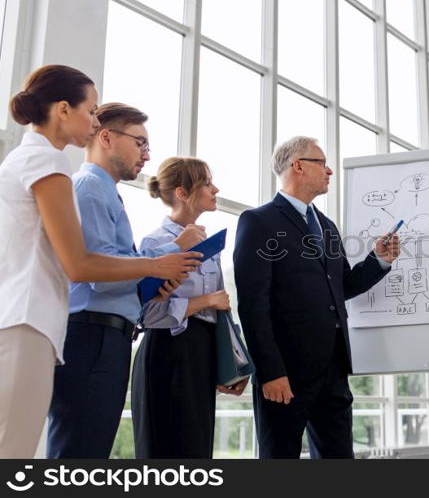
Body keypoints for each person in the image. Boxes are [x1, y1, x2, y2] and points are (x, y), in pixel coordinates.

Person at [0, 65, 199, 458]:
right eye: (90, 111)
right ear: (62, 109)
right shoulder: (50, 164)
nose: (93, 121)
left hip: (33, 322)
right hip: (31, 321)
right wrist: (155, 265)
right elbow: (80, 264)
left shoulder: (34, 161)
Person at [47, 103, 207, 459]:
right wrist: (160, 261)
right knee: (79, 452)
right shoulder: (89, 188)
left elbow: (115, 271)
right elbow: (98, 275)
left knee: (90, 448)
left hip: (108, 335)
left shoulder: (106, 192)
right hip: (92, 337)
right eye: (140, 143)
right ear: (106, 137)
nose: (147, 156)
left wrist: (151, 280)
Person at [234, 136, 400, 458]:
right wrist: (270, 371)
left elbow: (343, 286)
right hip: (286, 372)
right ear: (297, 166)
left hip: (333, 370)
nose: (329, 171)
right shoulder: (258, 221)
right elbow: (253, 305)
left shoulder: (325, 225)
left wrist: (379, 259)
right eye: (321, 163)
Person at [132, 157, 247, 458]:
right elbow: (146, 314)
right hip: (167, 354)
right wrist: (205, 301)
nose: (215, 189)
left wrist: (235, 364)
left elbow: (220, 311)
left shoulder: (209, 245)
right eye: (207, 183)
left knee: (197, 450)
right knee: (165, 450)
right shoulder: (154, 243)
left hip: (201, 352)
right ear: (183, 193)